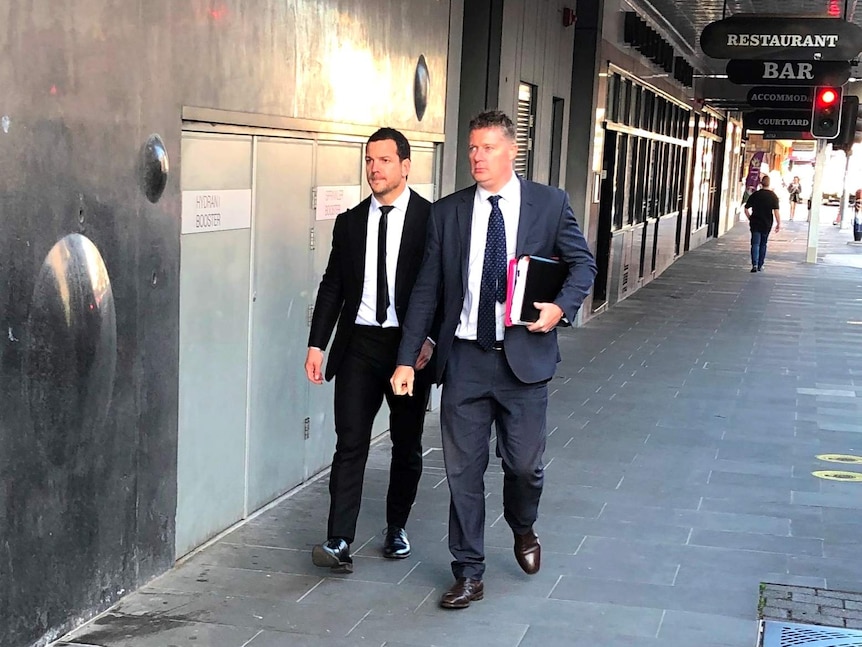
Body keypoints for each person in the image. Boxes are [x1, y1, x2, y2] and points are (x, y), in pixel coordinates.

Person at [390, 110, 596, 609]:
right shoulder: (448, 212)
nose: (476, 157)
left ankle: (523, 526)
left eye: (486, 148)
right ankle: (469, 571)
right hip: (464, 359)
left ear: (511, 151)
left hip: (522, 359)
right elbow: (425, 291)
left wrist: (559, 309)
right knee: (463, 473)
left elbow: (582, 263)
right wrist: (404, 360)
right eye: (471, 148)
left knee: (524, 466)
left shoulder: (548, 204)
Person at [305, 127, 437, 574]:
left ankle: (396, 527)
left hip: (408, 349)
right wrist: (316, 344)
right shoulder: (350, 222)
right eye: (369, 160)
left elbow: (439, 289)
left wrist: (428, 342)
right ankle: (339, 538)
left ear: (405, 165)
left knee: (407, 445)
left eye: (383, 160)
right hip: (359, 345)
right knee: (350, 444)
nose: (374, 169)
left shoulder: (429, 220)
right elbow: (332, 287)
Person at [744, 174, 780, 273]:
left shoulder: (755, 194)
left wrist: (750, 218)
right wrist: (778, 223)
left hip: (755, 222)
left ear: (761, 183)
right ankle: (760, 265)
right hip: (766, 223)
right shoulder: (773, 196)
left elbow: (746, 208)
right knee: (763, 244)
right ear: (769, 184)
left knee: (755, 243)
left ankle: (754, 264)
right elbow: (776, 211)